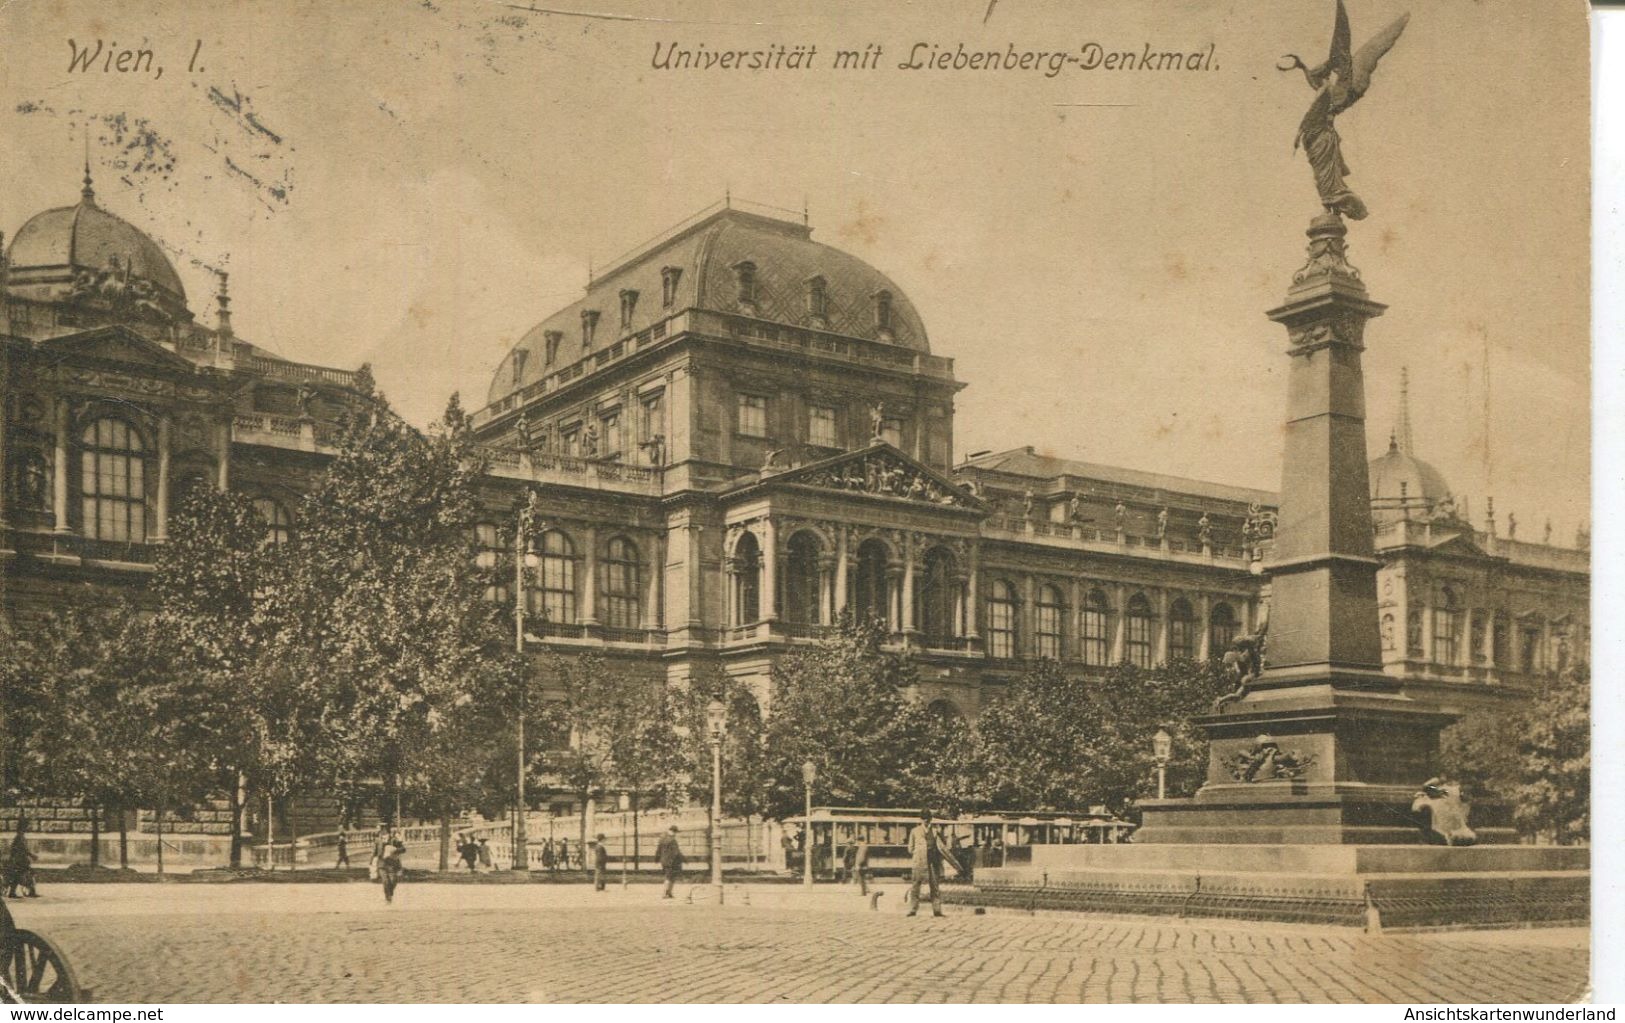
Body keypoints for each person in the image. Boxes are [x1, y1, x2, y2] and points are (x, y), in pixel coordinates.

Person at [906, 810, 951, 918]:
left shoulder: (935, 831)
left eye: (928, 819)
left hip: (932, 862)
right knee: (915, 886)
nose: (926, 821)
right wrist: (919, 853)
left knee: (935, 887)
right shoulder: (914, 831)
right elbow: (910, 848)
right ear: (921, 819)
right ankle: (913, 909)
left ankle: (937, 910)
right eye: (924, 819)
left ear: (931, 819)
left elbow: (942, 847)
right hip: (919, 862)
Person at [374, 824, 406, 904]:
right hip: (382, 864)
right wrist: (371, 862)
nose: (379, 832)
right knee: (385, 881)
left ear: (385, 830)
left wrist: (394, 850)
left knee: (393, 881)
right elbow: (375, 852)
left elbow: (403, 849)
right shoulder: (378, 840)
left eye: (380, 830)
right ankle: (388, 898)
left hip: (392, 864)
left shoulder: (394, 840)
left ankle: (390, 894)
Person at [6, 820, 37, 899]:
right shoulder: (19, 837)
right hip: (19, 861)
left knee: (27, 874)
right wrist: (32, 855)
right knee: (20, 876)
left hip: (21, 860)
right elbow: (23, 850)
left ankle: (31, 892)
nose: (28, 828)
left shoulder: (20, 837)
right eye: (26, 826)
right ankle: (13, 893)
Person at [655, 825, 685, 899]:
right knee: (670, 877)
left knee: (670, 877)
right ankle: (665, 893)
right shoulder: (672, 840)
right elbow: (676, 852)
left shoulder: (662, 839)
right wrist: (684, 859)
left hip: (664, 861)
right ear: (672, 832)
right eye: (675, 832)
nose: (675, 834)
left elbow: (658, 850)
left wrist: (656, 859)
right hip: (672, 862)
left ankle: (669, 893)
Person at [850, 832, 870, 896]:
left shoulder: (863, 846)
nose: (857, 842)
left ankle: (863, 892)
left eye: (857, 841)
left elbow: (861, 857)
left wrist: (858, 864)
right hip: (862, 865)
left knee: (861, 878)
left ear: (859, 840)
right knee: (861, 878)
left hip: (861, 865)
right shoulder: (863, 846)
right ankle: (864, 892)